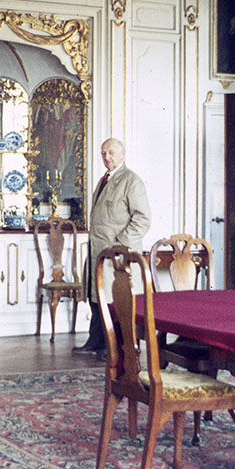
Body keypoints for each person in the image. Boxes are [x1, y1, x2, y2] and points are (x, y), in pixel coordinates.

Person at [73, 137, 151, 355]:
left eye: (111, 153)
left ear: (123, 155)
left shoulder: (131, 181)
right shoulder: (104, 180)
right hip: (98, 251)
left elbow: (143, 219)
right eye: (103, 153)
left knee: (115, 300)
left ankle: (117, 347)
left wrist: (120, 245)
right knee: (96, 296)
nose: (107, 157)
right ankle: (96, 341)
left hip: (118, 256)